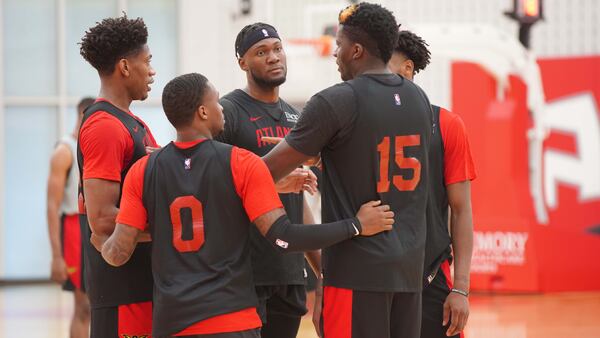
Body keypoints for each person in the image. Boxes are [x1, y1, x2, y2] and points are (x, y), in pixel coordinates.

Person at [93, 72, 395, 337]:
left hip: (172, 321)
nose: (221, 106)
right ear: (202, 112)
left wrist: (100, 242)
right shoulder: (240, 163)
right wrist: (355, 225)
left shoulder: (144, 170)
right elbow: (283, 236)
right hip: (231, 318)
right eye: (215, 102)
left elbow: (118, 253)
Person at [263, 3, 434, 338]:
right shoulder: (419, 99)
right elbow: (381, 159)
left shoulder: (335, 101)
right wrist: (328, 157)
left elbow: (263, 172)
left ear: (356, 50)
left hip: (357, 272)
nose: (335, 54)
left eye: (339, 46)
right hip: (409, 269)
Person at [215, 22, 320, 338]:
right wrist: (270, 184)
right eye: (261, 52)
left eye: (277, 49)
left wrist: (321, 266)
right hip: (244, 272)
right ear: (243, 63)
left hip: (288, 272)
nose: (273, 57)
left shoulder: (296, 118)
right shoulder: (228, 112)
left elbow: (297, 201)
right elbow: (213, 184)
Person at [389, 29, 477, 338]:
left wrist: (462, 289)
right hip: (376, 281)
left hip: (431, 278)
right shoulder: (358, 123)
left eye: (384, 62)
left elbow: (462, 210)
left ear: (407, 68)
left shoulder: (446, 125)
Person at [77, 14, 159, 338]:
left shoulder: (130, 123)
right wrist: (174, 225)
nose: (152, 71)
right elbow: (101, 220)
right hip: (122, 292)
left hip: (143, 285)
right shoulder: (105, 126)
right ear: (125, 67)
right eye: (147, 62)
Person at [47, 97, 95, 338]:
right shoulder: (64, 151)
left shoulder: (95, 146)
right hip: (75, 228)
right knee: (83, 307)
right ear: (82, 115)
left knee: (99, 307)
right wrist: (56, 256)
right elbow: (51, 206)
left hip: (96, 226)